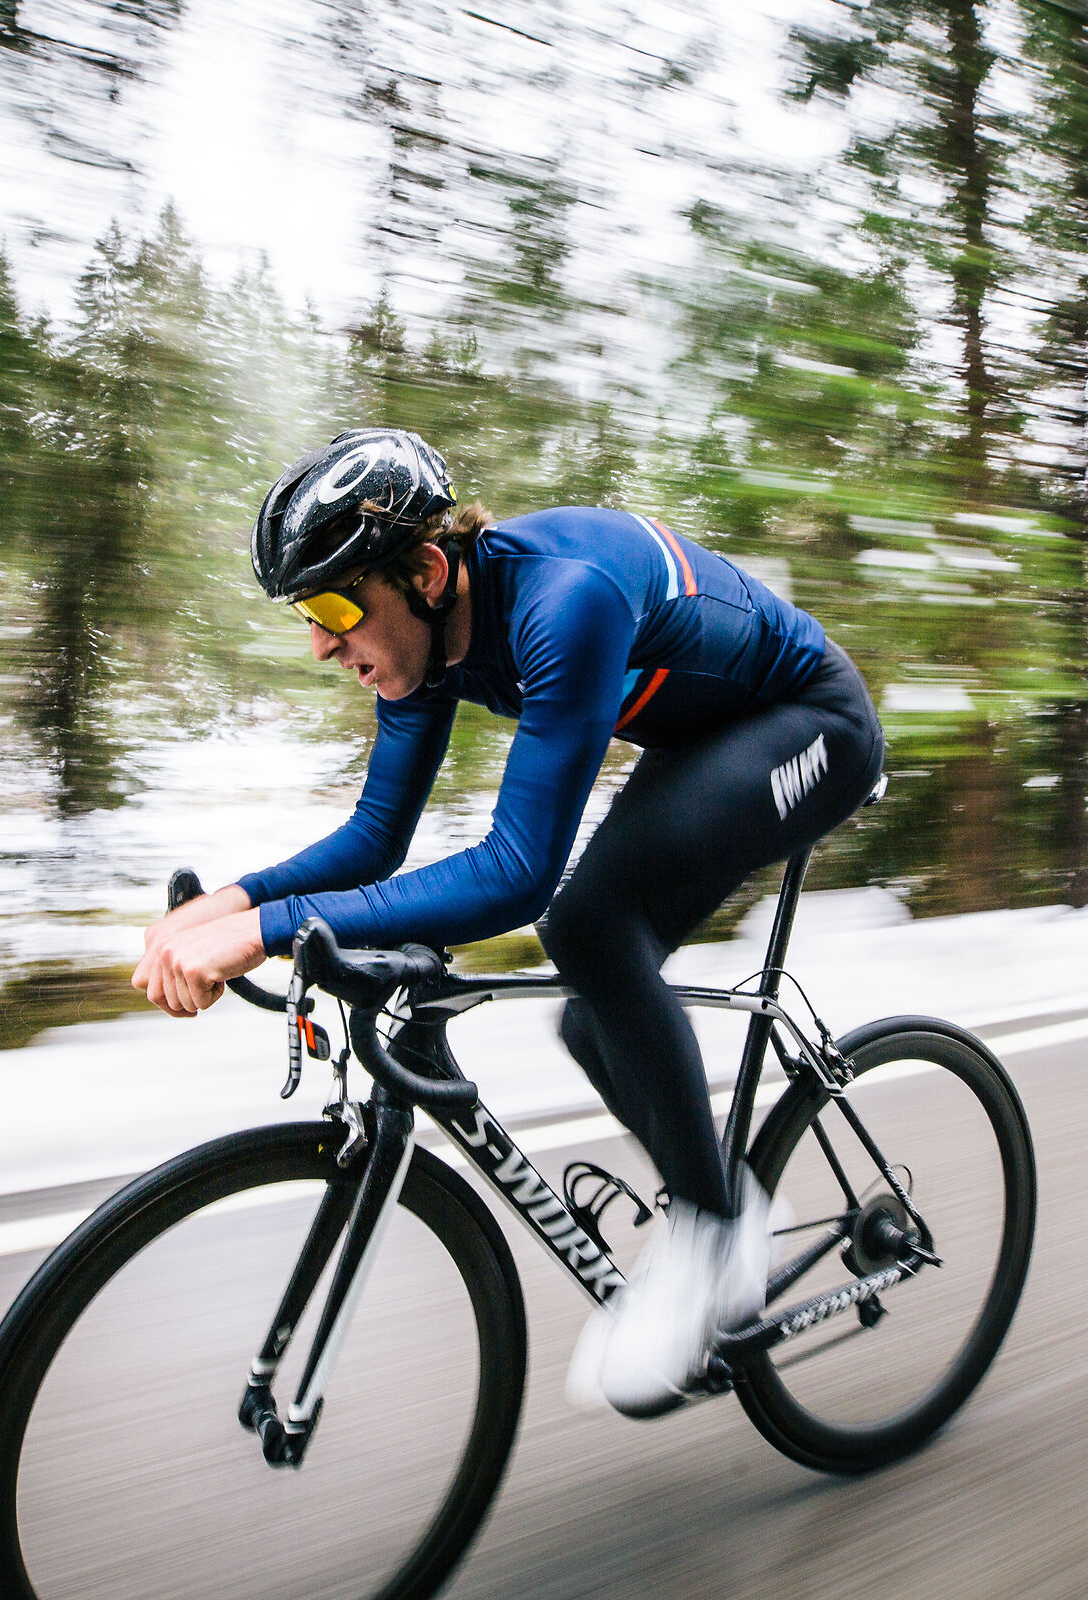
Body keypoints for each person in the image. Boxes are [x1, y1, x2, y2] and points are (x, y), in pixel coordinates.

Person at [132, 427, 883, 1417]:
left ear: (425, 571)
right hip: (703, 739)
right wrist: (231, 904)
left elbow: (517, 874)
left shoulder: (563, 601)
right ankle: (718, 1201)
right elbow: (375, 839)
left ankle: (717, 1233)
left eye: (335, 608)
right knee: (591, 1012)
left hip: (813, 724)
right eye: (309, 614)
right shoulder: (422, 640)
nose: (320, 643)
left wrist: (267, 936)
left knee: (586, 928)